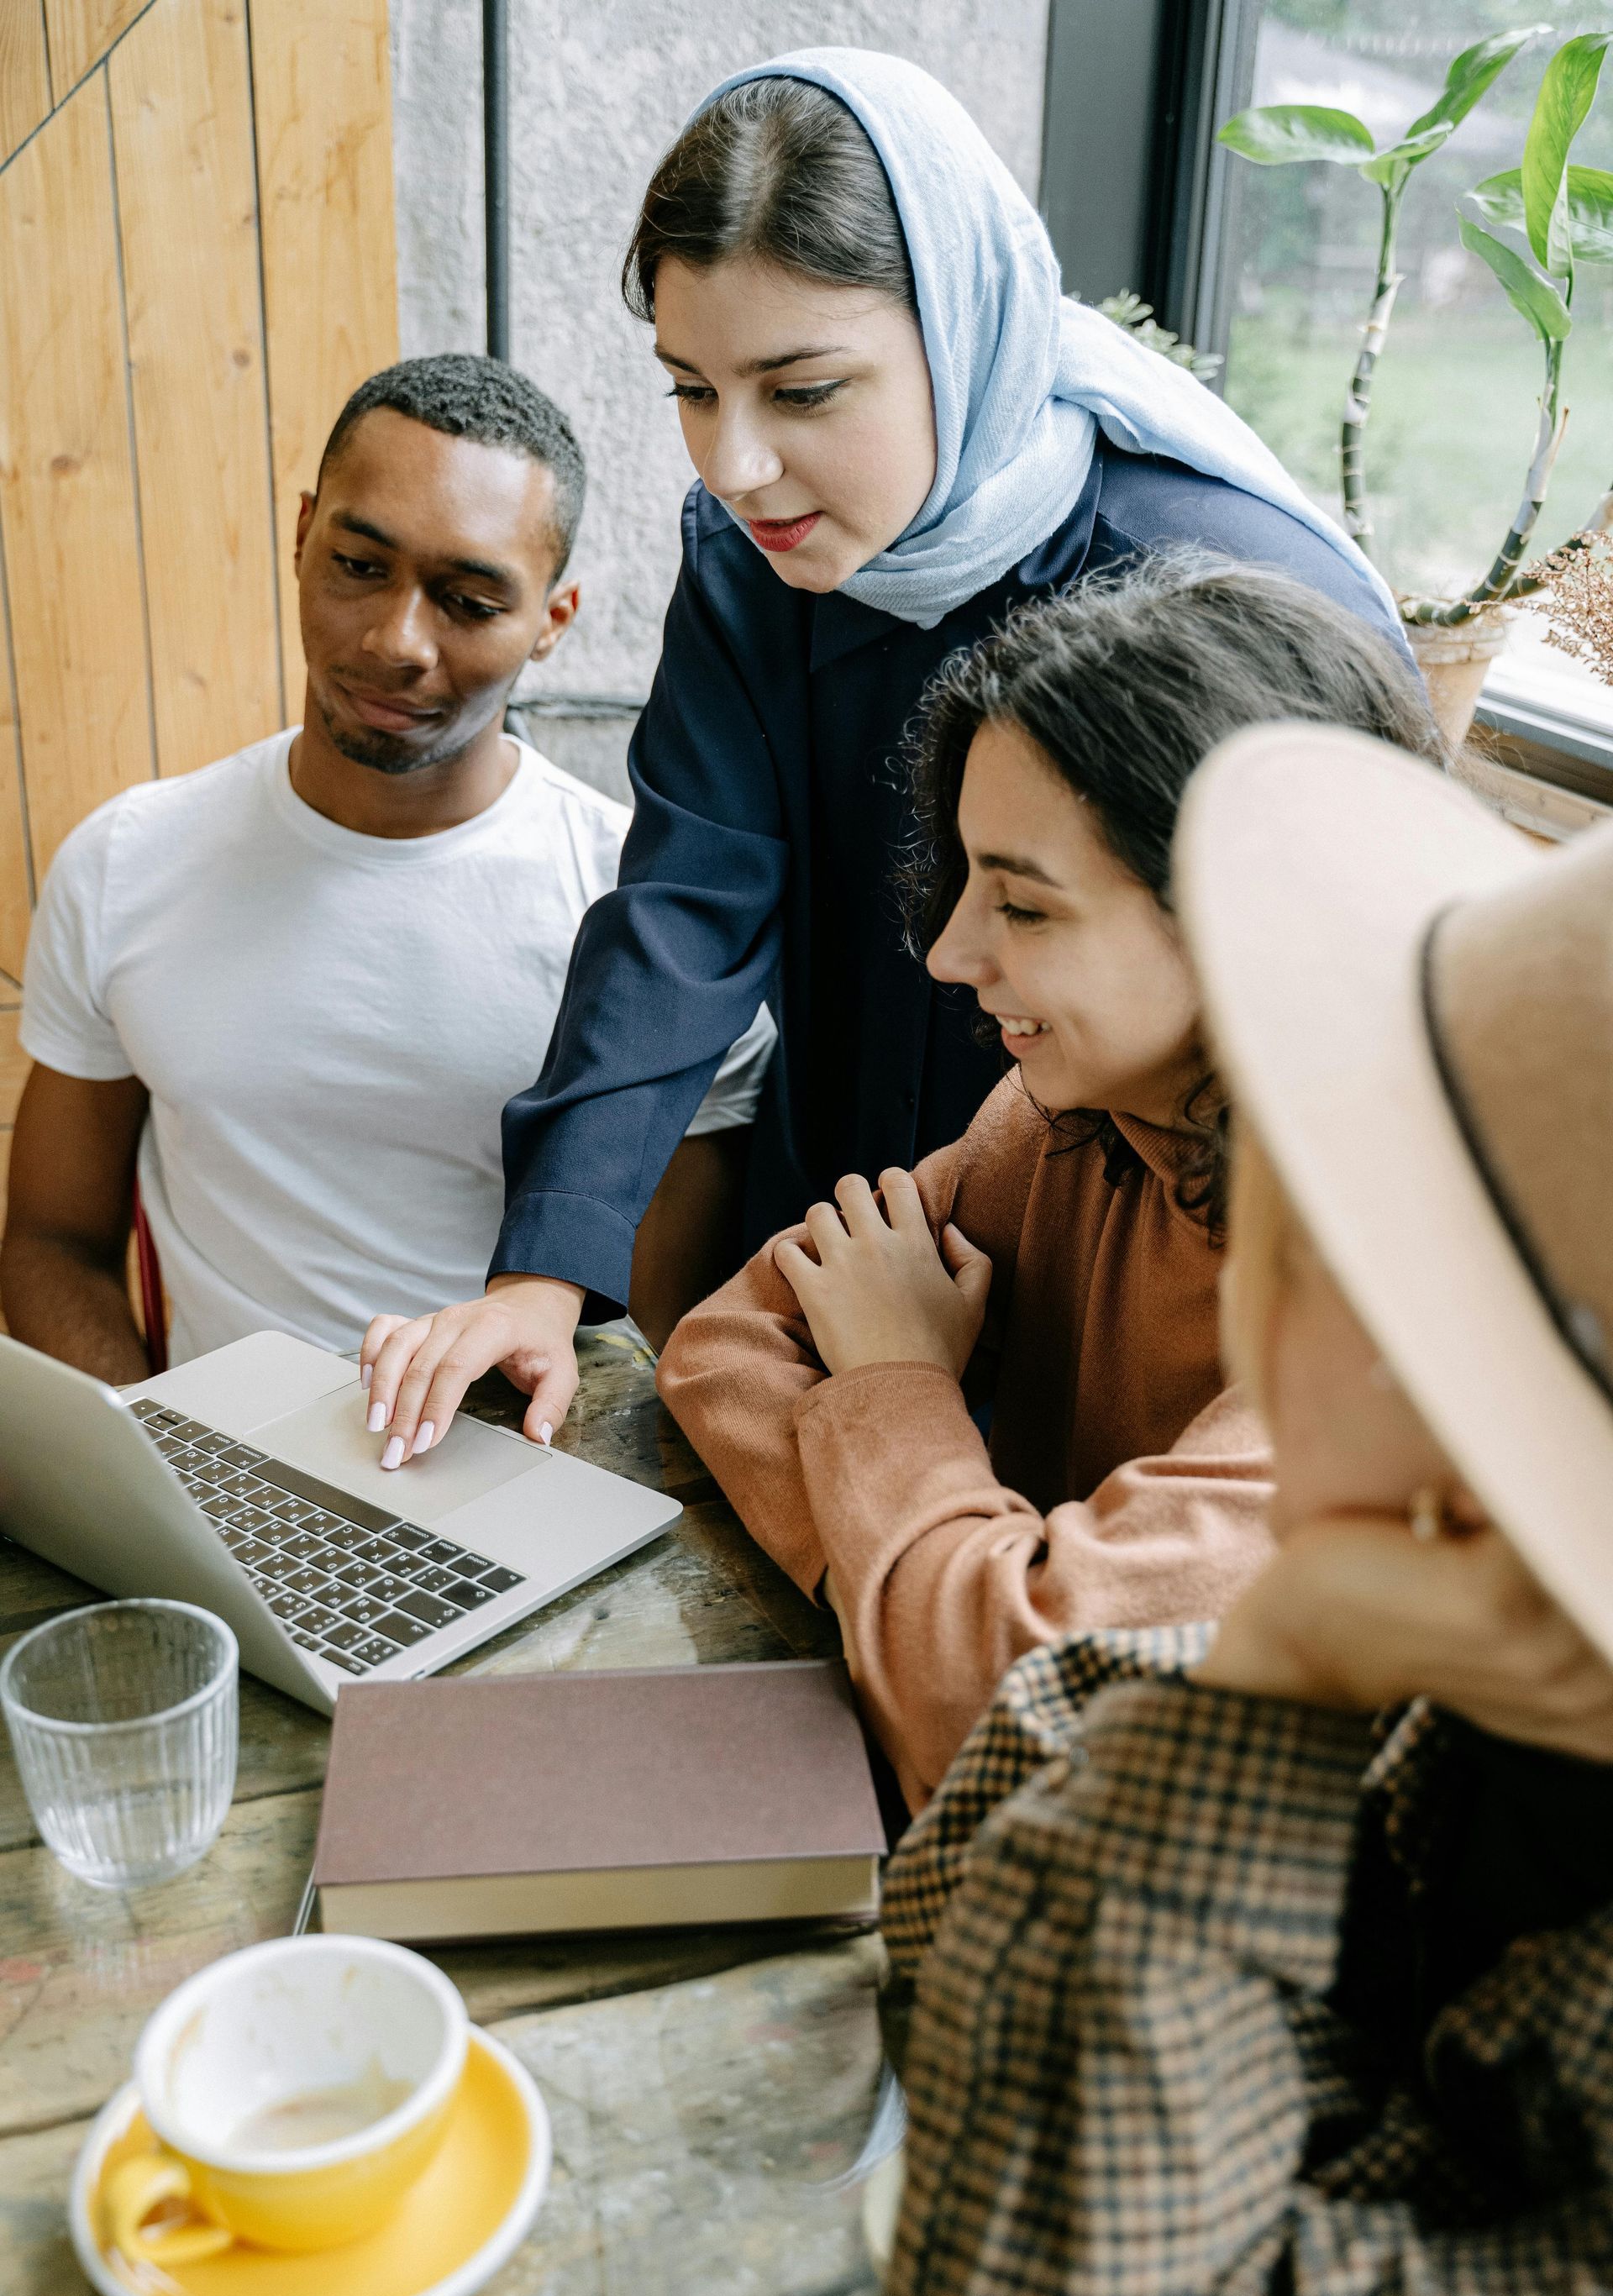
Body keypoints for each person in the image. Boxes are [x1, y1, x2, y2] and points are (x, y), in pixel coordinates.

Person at [359, 48, 1414, 1473]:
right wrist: (543, 1275)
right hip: (850, 1207)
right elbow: (682, 910)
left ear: (964, 328)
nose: (731, 465)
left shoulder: (1221, 591)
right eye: (690, 388)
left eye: (802, 393)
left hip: (1154, 1278)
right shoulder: (751, 557)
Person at [870, 724, 1613, 2296]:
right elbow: (947, 1903)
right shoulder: (1476, 1668)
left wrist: (1273, 1673)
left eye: (1337, 1167)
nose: (1251, 1177)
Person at [657, 560, 1442, 1809]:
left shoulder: (1400, 1314)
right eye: (967, 881)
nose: (955, 952)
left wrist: (893, 1389)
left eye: (1024, 906)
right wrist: (936, 1599)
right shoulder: (1063, 1124)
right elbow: (724, 1347)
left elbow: (988, 1712)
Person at [4, 355, 771, 1399]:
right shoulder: (124, 863)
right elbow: (53, 1242)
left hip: (522, 1478)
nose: (396, 642)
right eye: (360, 566)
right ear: (302, 533)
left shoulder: (647, 933)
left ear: (553, 618)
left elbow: (668, 1328)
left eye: (467, 599)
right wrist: (149, 1461)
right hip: (208, 1485)